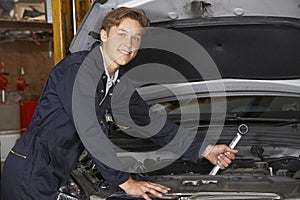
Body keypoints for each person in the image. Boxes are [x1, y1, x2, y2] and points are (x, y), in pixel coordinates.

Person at [1, 7, 238, 200]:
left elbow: (150, 122)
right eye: (121, 34)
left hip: (56, 171)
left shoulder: (117, 83)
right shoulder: (78, 69)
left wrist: (204, 149)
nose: (129, 43)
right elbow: (89, 129)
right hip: (31, 171)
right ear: (104, 35)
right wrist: (125, 181)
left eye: (136, 38)